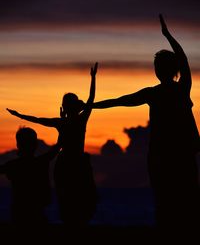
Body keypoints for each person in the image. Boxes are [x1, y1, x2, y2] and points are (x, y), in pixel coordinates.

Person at [92, 15, 200, 231]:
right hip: (177, 155)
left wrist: (90, 106)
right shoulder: (179, 88)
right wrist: (168, 36)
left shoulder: (159, 92)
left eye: (157, 65)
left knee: (167, 201)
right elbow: (121, 101)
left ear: (160, 70)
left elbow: (120, 101)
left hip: (167, 155)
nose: (156, 68)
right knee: (183, 200)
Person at [7, 63, 98, 227]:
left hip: (67, 162)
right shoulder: (78, 120)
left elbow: (38, 120)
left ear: (65, 107)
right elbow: (91, 100)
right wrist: (93, 79)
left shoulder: (63, 122)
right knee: (78, 196)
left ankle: (70, 219)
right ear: (75, 106)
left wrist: (20, 115)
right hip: (75, 162)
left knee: (68, 197)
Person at [0, 127, 60, 225]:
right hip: (37, 215)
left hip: (19, 215)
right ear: (35, 145)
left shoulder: (12, 166)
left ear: (18, 145)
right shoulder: (41, 162)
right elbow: (57, 148)